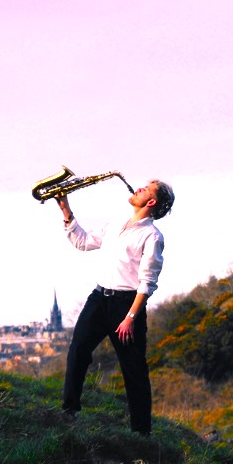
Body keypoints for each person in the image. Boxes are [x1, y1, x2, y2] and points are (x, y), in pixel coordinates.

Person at [56, 179, 174, 434]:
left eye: (146, 189)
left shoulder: (152, 236)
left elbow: (147, 283)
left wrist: (130, 317)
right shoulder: (116, 224)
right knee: (78, 350)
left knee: (134, 370)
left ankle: (141, 433)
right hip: (99, 299)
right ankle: (69, 411)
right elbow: (83, 242)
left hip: (127, 305)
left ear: (151, 202)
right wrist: (65, 208)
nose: (139, 188)